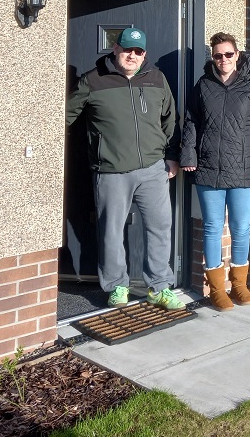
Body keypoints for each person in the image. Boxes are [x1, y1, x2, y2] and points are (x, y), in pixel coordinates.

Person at [65, 27, 184, 311]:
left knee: (159, 227)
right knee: (111, 230)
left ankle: (159, 287)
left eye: (138, 51)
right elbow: (66, 117)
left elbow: (170, 119)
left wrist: (172, 155)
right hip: (111, 171)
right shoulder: (92, 81)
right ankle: (117, 286)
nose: (132, 55)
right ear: (115, 49)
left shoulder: (156, 79)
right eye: (127, 49)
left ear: (145, 55)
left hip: (153, 169)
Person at [181, 32, 250, 310]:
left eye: (228, 54)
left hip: (244, 171)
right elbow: (190, 121)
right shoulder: (203, 86)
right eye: (218, 55)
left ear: (237, 55)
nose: (223, 60)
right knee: (211, 227)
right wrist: (188, 154)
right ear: (213, 57)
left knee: (240, 228)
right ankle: (216, 289)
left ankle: (239, 284)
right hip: (208, 169)